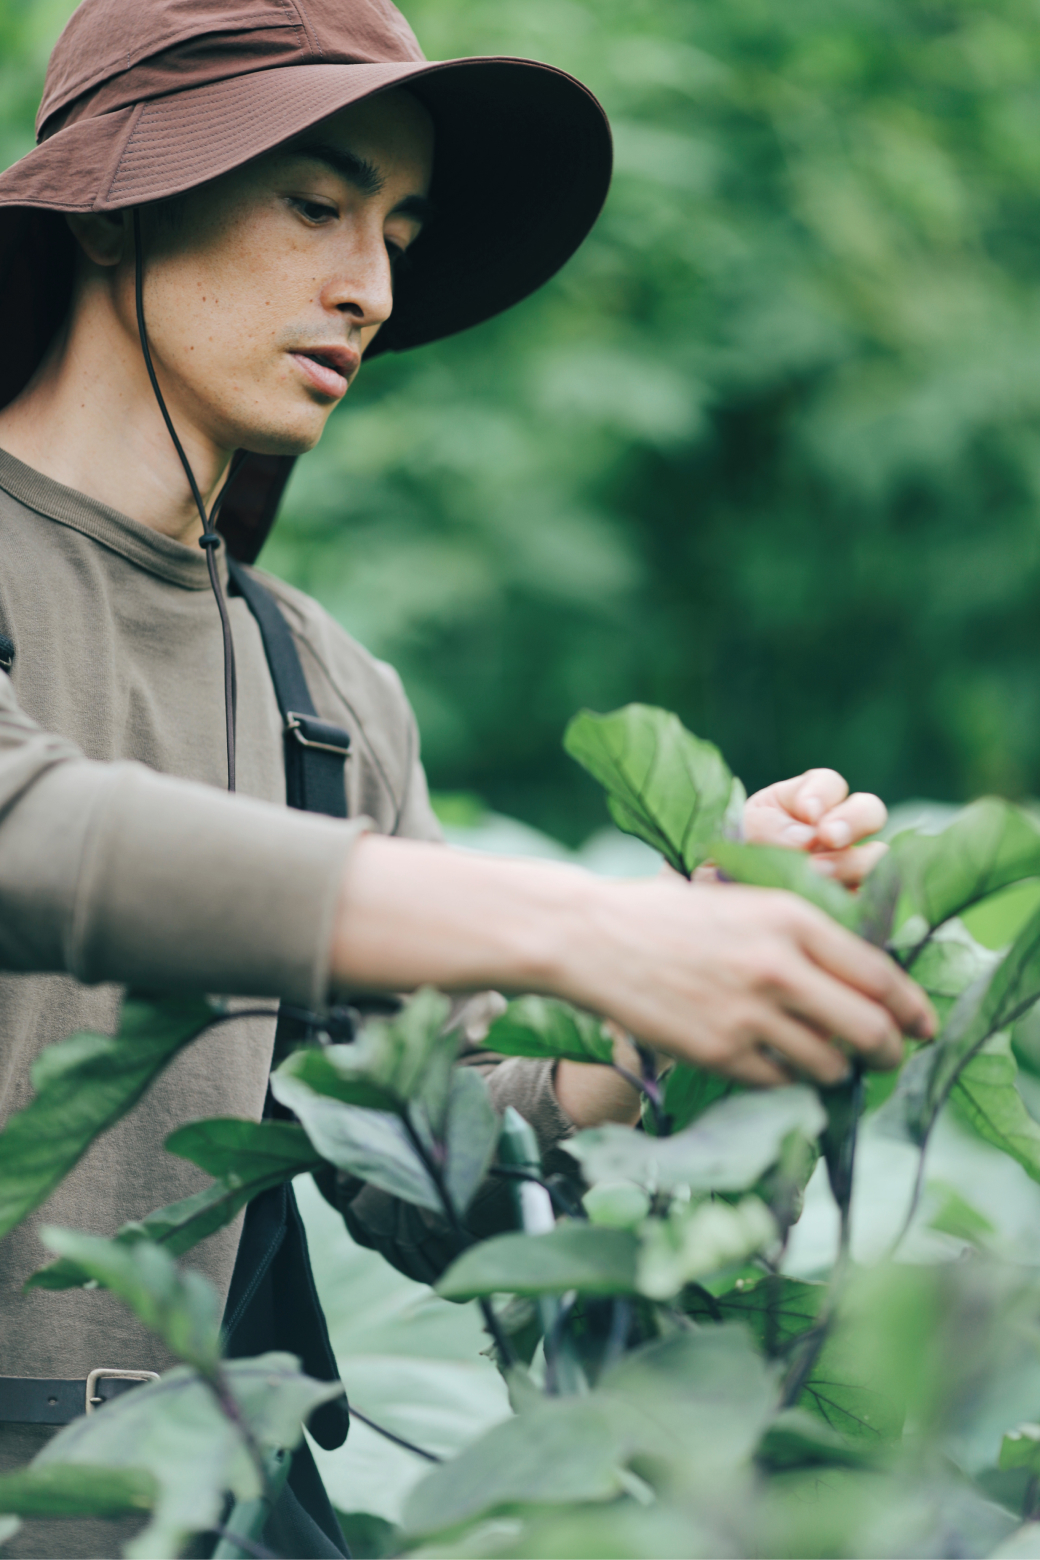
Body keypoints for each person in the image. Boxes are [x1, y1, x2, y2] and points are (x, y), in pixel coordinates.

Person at [0, 0, 934, 1553]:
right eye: (315, 205)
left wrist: (673, 993)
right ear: (121, 210)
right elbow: (29, 832)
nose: (368, 287)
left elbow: (432, 1147)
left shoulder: (325, 694)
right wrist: (570, 923)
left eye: (400, 228)